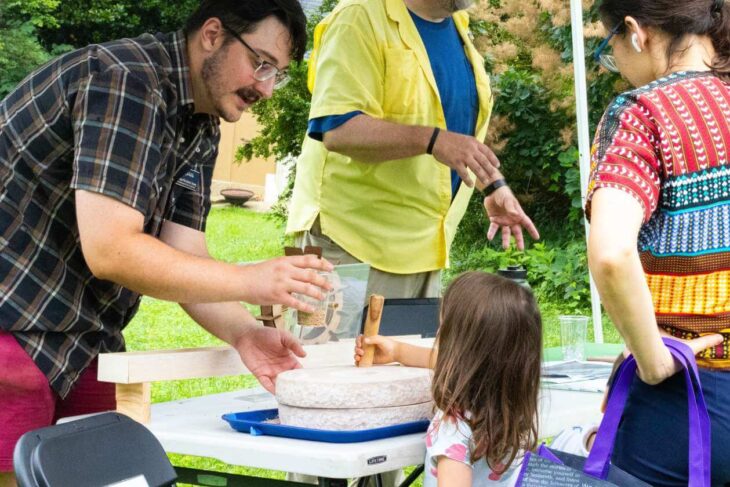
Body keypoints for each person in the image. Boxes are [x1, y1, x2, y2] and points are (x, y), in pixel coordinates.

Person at [0, 1, 333, 484]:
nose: (264, 88)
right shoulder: (124, 81)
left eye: (276, 75)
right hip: (10, 325)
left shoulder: (201, 122)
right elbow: (112, 249)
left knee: (106, 475)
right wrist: (248, 279)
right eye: (261, 63)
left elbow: (184, 256)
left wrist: (245, 333)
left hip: (81, 340)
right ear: (212, 35)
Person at [285, 0, 540, 301]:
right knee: (333, 338)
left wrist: (492, 184)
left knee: (409, 337)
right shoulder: (358, 17)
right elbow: (337, 129)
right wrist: (433, 140)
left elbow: (450, 123)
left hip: (426, 249)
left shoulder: (457, 27)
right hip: (349, 244)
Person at [586, 0, 730, 483]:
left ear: (635, 31)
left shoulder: (643, 112)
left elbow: (611, 252)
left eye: (609, 48)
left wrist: (650, 360)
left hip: (687, 405)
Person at [355, 271, 542, 486]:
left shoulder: (454, 429)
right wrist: (397, 351)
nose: (438, 334)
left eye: (443, 327)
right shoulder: (513, 410)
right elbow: (454, 360)